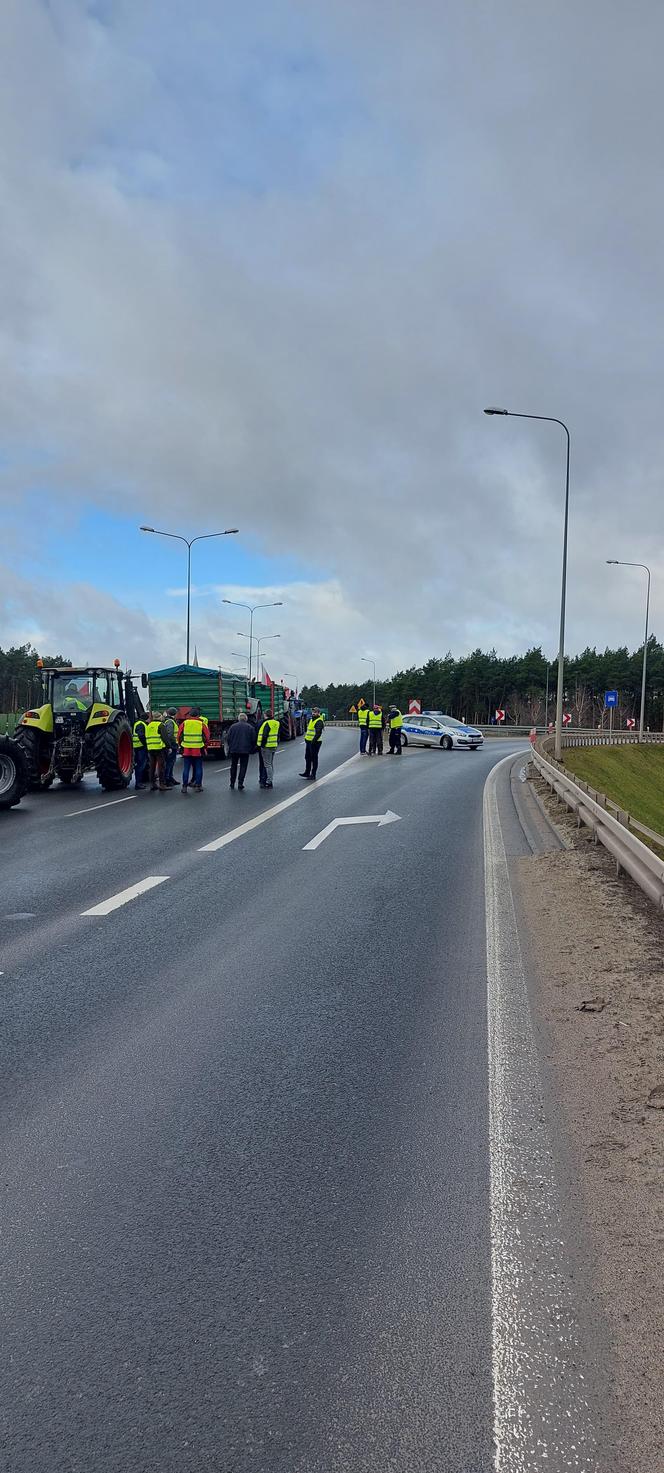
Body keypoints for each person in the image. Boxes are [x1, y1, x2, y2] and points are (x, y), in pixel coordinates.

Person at [178, 706, 210, 793]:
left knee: (186, 768)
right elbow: (207, 737)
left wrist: (181, 745)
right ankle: (198, 786)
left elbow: (179, 736)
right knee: (199, 767)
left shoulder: (184, 723)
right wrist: (205, 746)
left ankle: (184, 786)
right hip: (198, 749)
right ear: (198, 715)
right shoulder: (201, 724)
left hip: (186, 749)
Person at [227, 711, 255, 790]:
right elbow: (253, 739)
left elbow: (228, 738)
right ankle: (240, 783)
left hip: (234, 749)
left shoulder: (232, 727)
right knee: (243, 766)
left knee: (233, 766)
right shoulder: (250, 727)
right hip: (245, 750)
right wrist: (252, 749)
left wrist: (231, 746)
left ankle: (232, 783)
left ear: (238, 719)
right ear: (246, 719)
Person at [145, 712, 170, 792]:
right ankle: (162, 784)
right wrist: (169, 746)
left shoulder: (149, 726)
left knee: (152, 766)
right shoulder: (161, 725)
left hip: (150, 748)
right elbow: (165, 738)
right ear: (159, 717)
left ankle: (152, 784)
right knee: (161, 766)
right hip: (159, 749)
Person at [256, 713, 280, 788]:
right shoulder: (276, 723)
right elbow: (278, 735)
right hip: (273, 745)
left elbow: (264, 735)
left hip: (266, 746)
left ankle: (267, 781)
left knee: (266, 764)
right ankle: (267, 780)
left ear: (265, 715)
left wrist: (262, 745)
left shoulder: (264, 723)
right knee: (270, 764)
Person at [300, 707, 325, 780]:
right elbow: (309, 731)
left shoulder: (319, 721)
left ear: (318, 713)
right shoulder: (311, 720)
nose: (313, 713)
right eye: (313, 712)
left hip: (315, 743)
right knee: (307, 757)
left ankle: (313, 774)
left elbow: (318, 733)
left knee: (314, 758)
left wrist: (313, 742)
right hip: (309, 742)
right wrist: (306, 739)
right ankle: (307, 772)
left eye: (315, 712)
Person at [162, 707, 179, 787]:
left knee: (171, 762)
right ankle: (167, 779)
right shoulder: (170, 722)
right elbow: (170, 734)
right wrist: (170, 746)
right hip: (172, 745)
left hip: (173, 744)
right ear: (175, 714)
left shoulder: (170, 721)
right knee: (169, 762)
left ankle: (170, 778)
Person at [132, 712, 148, 789]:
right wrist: (146, 744)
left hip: (137, 746)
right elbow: (141, 735)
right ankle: (138, 783)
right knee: (140, 766)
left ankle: (139, 783)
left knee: (139, 765)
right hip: (140, 747)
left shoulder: (138, 723)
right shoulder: (141, 724)